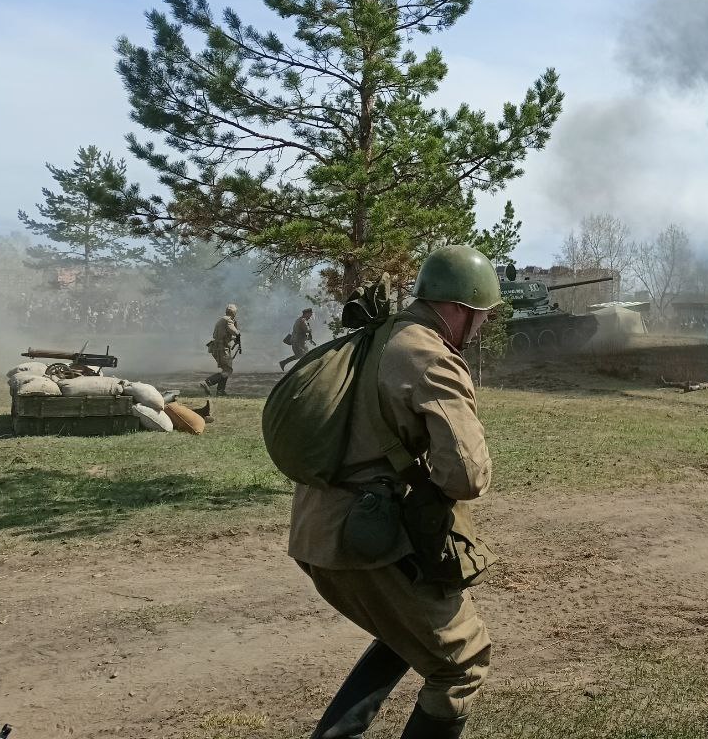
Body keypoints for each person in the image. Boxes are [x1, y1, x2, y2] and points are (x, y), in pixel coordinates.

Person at [289, 245, 502, 738]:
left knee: (404, 636)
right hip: (367, 541)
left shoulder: (378, 336)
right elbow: (467, 477)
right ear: (459, 310)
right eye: (483, 317)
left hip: (315, 527)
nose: (484, 327)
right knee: (462, 662)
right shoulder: (430, 356)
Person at [201, 302, 240, 396]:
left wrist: (234, 338)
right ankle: (208, 382)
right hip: (222, 348)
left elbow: (223, 335)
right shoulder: (228, 320)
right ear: (233, 313)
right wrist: (238, 334)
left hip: (218, 347)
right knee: (228, 370)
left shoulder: (222, 319)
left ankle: (220, 391)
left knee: (225, 369)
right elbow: (234, 332)